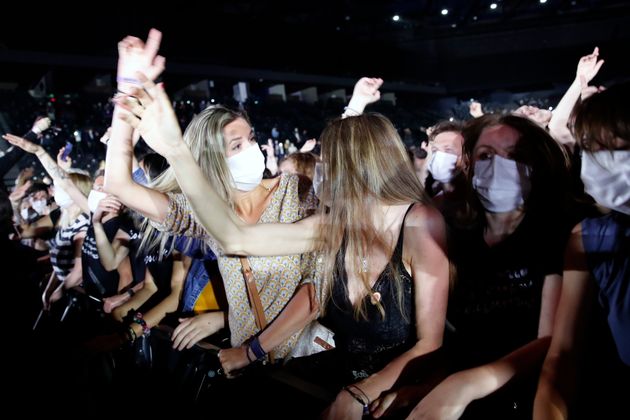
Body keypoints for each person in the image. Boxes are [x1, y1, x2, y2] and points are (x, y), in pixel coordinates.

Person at [117, 70, 449, 418]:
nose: (321, 174)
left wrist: (360, 392)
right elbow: (236, 238)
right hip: (334, 381)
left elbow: (431, 343)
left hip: (396, 393)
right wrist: (177, 151)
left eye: (331, 163)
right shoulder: (333, 226)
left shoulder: (419, 223)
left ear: (359, 166)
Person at [104, 30, 317, 362]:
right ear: (211, 162)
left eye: (251, 138)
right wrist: (126, 93)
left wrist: (248, 345)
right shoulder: (206, 212)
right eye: (236, 146)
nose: (253, 150)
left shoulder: (297, 191)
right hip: (246, 371)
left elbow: (316, 290)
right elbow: (119, 184)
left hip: (302, 367)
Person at [372, 113, 579, 419]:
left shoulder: (559, 234)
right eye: (486, 155)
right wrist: (425, 388)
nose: (499, 166)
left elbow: (550, 342)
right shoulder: (459, 239)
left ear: (536, 166)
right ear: (469, 164)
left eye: (515, 156)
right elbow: (466, 341)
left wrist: (464, 385)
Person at [534, 82, 630, 419]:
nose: (600, 162)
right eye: (591, 148)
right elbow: (563, 358)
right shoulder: (589, 238)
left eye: (613, 147)